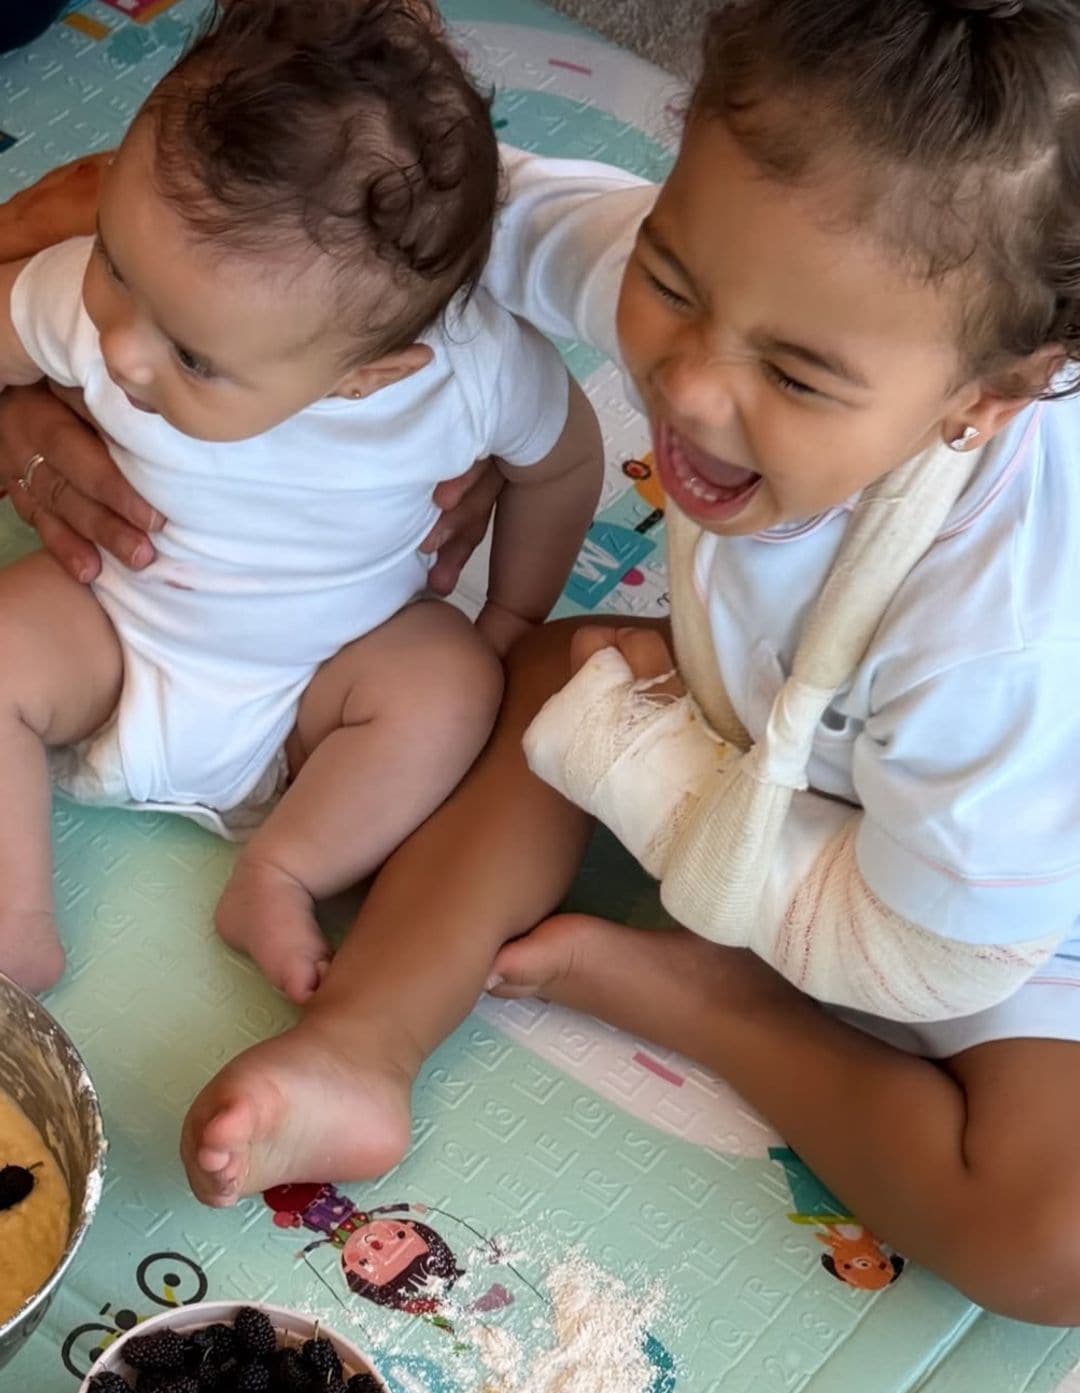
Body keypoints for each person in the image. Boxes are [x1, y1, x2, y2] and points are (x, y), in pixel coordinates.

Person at [6, 0, 1080, 1325]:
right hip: (774, 727)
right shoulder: (756, 276)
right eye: (670, 283)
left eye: (797, 380)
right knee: (535, 678)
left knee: (1049, 1244)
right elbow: (384, 205)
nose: (688, 389)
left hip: (980, 911)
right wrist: (128, 261)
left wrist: (652, 776)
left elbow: (930, 959)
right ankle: (361, 1045)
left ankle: (705, 997)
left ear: (987, 398)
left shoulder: (1005, 644)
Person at [0, 0, 601, 1000]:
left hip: (320, 692)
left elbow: (566, 464)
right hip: (110, 632)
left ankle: (281, 875)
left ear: (366, 378)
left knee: (450, 683)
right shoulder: (96, 307)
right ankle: (14, 923)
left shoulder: (469, 377)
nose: (121, 349)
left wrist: (511, 617)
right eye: (113, 258)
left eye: (194, 357)